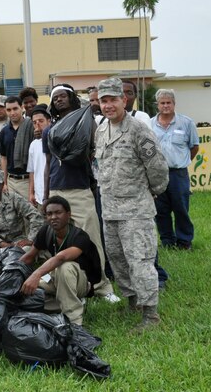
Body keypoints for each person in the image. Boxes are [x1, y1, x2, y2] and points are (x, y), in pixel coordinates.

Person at [95, 77, 169, 330]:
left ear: (123, 100)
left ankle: (151, 315)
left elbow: (157, 166)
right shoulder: (101, 129)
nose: (108, 105)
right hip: (110, 209)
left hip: (136, 210)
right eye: (103, 101)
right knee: (117, 259)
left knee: (140, 261)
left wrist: (154, 191)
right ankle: (132, 301)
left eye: (113, 100)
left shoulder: (139, 129)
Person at [44, 84, 118, 302]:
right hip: (57, 189)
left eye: (63, 96)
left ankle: (102, 287)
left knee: (92, 238)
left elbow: (97, 152)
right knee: (60, 241)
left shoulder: (88, 123)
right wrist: (47, 195)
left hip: (80, 188)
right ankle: (70, 285)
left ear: (72, 98)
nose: (59, 100)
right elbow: (48, 164)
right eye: (55, 97)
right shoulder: (50, 129)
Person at [19, 196, 102, 326]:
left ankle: (74, 322)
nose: (53, 217)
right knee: (24, 292)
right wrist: (10, 272)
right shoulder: (46, 231)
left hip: (81, 283)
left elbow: (61, 257)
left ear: (68, 214)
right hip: (54, 278)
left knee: (65, 267)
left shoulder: (79, 236)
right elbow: (29, 256)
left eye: (58, 212)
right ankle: (66, 304)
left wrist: (36, 274)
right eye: (49, 214)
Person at [151, 88, 199, 250]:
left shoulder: (186, 123)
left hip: (178, 174)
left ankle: (185, 241)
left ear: (174, 104)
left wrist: (181, 161)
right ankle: (167, 242)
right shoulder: (149, 124)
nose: (165, 106)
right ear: (157, 105)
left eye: (168, 103)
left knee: (181, 208)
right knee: (161, 210)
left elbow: (194, 147)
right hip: (157, 174)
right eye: (162, 103)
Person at [0, 170, 43, 251]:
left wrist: (31, 239)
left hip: (17, 241)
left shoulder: (14, 198)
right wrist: (2, 244)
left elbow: (35, 215)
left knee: (25, 250)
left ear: (3, 184)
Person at [0, 96, 31, 200]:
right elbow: (4, 158)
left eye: (15, 108)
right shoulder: (4, 131)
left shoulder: (31, 127)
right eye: (9, 110)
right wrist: (4, 183)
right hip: (11, 181)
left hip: (27, 180)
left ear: (22, 108)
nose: (12, 113)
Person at [27, 105, 51, 208]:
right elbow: (32, 171)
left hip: (54, 193)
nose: (38, 125)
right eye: (34, 122)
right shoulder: (33, 144)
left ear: (48, 121)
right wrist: (31, 193)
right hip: (39, 196)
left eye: (41, 121)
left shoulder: (54, 140)